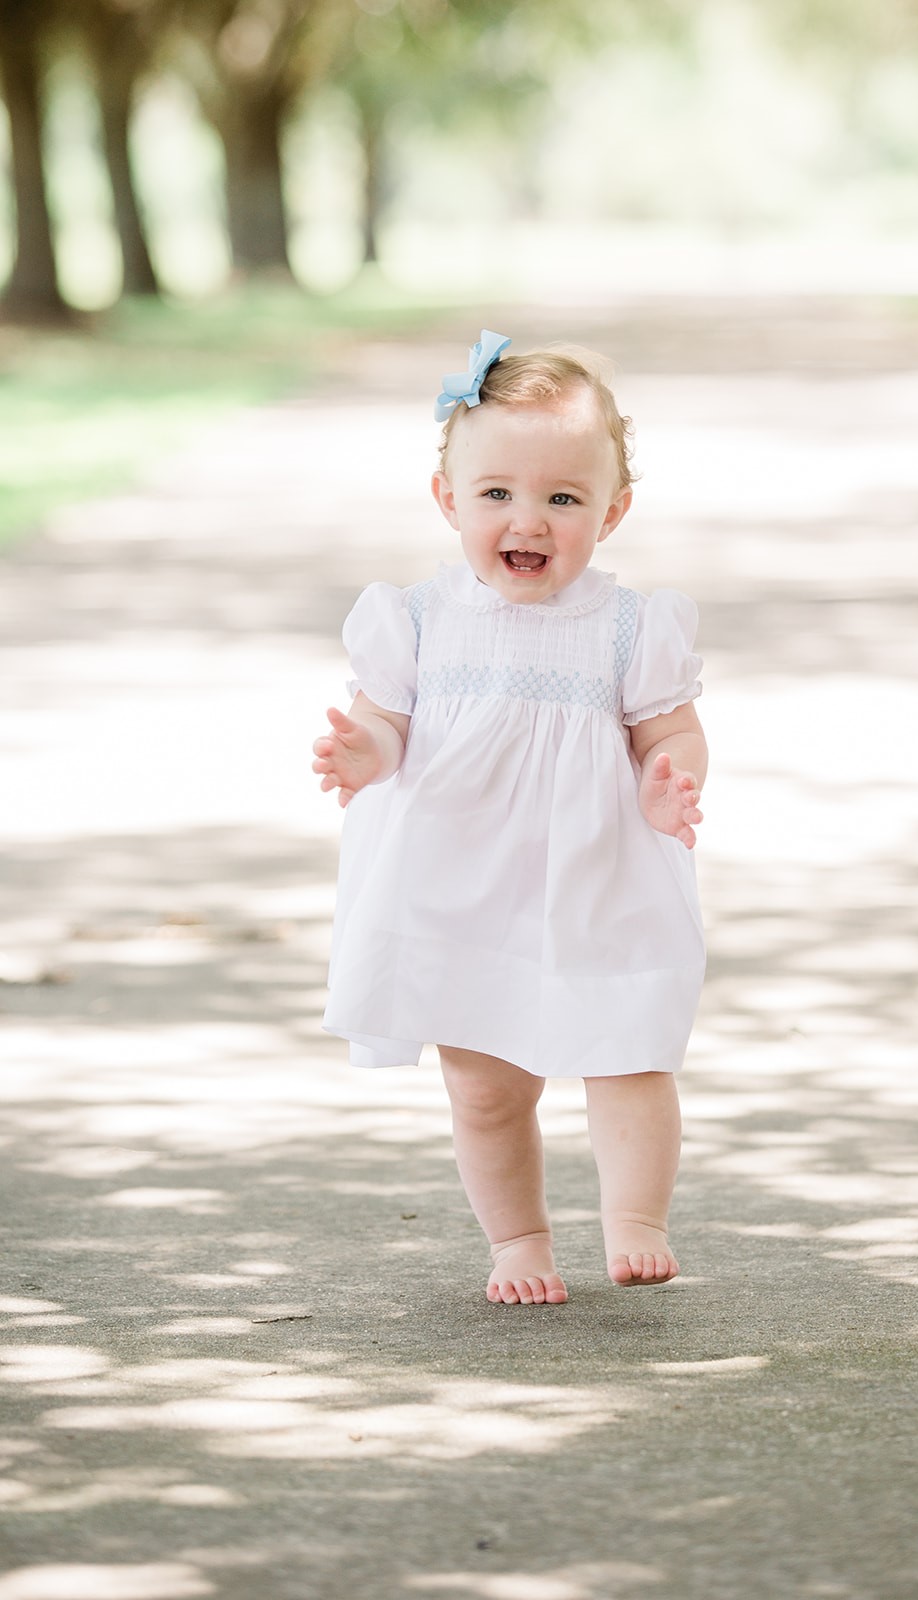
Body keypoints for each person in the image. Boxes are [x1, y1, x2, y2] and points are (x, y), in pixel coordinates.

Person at [313, 330, 707, 1306]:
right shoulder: (415, 620)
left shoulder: (626, 628)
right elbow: (384, 725)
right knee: (487, 1087)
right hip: (467, 890)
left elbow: (673, 728)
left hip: (598, 876)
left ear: (611, 512)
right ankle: (518, 1237)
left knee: (628, 1051)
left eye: (563, 498)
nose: (527, 518)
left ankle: (636, 1218)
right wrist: (362, 752)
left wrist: (669, 778)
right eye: (497, 494)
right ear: (449, 499)